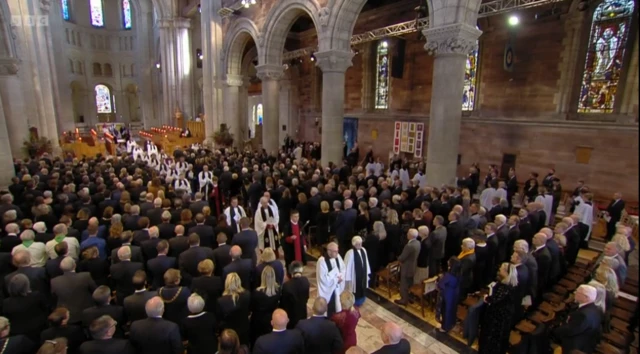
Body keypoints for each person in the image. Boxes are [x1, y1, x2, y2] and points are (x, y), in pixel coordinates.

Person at [478, 262, 518, 354]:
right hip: (503, 317)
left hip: (497, 318)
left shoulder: (505, 288)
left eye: (501, 269)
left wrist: (486, 298)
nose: (499, 270)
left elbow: (494, 300)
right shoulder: (511, 285)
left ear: (506, 273)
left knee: (491, 339)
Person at [551, 284, 603, 354]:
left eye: (578, 293)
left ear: (586, 297)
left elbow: (570, 330)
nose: (575, 293)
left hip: (575, 346)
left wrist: (555, 330)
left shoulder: (583, 315)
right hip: (586, 341)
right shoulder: (595, 308)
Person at [2, 274, 49, 342]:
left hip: (17, 334)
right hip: (38, 330)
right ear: (27, 285)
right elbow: (45, 308)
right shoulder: (36, 296)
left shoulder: (6, 303)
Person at [51, 257, 97, 324]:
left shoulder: (54, 281)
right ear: (75, 265)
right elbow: (95, 291)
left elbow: (54, 297)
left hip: (68, 316)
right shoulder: (85, 276)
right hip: (86, 311)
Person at [250, 266, 281, 347]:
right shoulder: (278, 290)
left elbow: (252, 307)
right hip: (271, 320)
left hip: (258, 320)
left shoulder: (257, 293)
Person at [217, 273, 251, 346]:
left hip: (229, 334)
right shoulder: (247, 295)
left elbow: (220, 319)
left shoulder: (221, 301)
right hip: (244, 329)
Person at [316, 242, 346, 317]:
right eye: (335, 251)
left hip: (336, 288)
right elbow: (323, 279)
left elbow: (343, 268)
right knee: (329, 309)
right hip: (327, 290)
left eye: (337, 250)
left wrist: (340, 277)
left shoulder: (338, 257)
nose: (337, 253)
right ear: (329, 251)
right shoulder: (322, 261)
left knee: (336, 306)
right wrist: (336, 277)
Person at [280, 261, 310, 329]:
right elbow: (307, 297)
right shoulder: (305, 281)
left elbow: (283, 304)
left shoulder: (286, 286)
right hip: (303, 313)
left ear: (291, 272)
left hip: (291, 317)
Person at [395, 229, 420, 306]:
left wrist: (398, 258)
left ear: (410, 236)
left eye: (408, 233)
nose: (407, 235)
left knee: (404, 284)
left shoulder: (409, 246)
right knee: (410, 282)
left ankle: (404, 299)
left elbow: (402, 257)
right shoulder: (418, 242)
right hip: (413, 266)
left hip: (407, 267)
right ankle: (409, 297)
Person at [344, 236, 371, 307]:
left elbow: (366, 262)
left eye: (361, 244)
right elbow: (347, 266)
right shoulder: (350, 253)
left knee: (362, 287)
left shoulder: (363, 250)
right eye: (358, 244)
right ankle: (354, 301)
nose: (360, 246)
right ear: (354, 244)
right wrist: (347, 278)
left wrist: (367, 272)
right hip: (354, 276)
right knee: (355, 288)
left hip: (363, 274)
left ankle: (362, 299)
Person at [436, 257, 460, 333]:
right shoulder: (459, 274)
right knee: (452, 309)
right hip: (455, 294)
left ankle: (445, 327)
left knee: (445, 310)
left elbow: (440, 284)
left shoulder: (448, 276)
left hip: (447, 295)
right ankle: (451, 324)